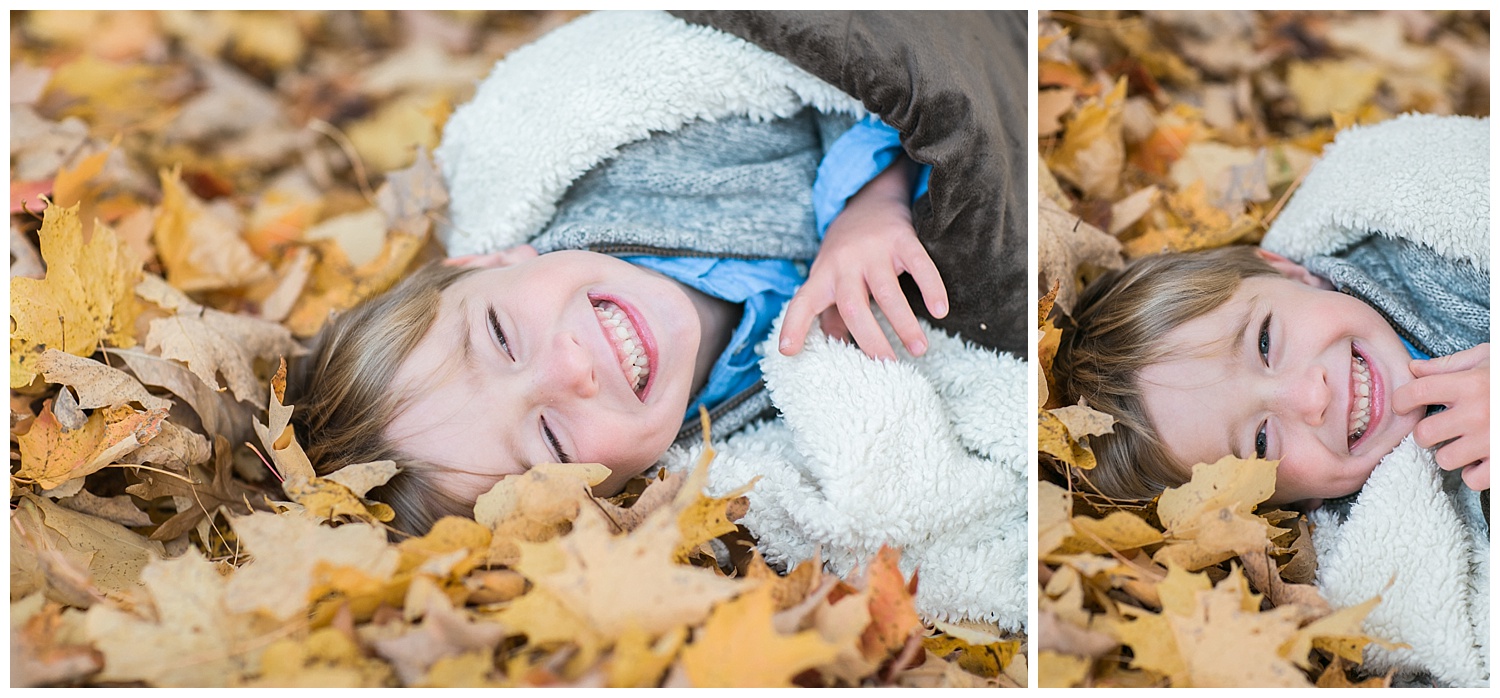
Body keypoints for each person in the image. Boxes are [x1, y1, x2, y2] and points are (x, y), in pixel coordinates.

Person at [286, 10, 1029, 626]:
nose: (569, 368)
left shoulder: (654, 167)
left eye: (502, 336)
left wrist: (875, 203)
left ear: (488, 263)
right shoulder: (739, 471)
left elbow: (844, 83)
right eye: (547, 437)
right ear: (598, 505)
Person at [1052, 112, 1489, 686]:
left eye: (1264, 341)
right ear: (1282, 508)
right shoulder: (1382, 555)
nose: (1311, 396)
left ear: (1290, 272)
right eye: (1261, 440)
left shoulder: (1433, 255)